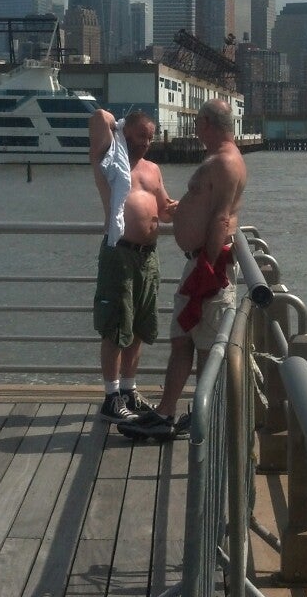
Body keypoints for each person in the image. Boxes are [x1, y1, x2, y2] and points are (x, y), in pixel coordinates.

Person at [118, 98, 247, 439]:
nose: (194, 128)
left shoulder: (224, 162)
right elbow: (207, 207)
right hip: (197, 265)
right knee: (181, 341)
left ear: (206, 122)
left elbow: (221, 216)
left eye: (197, 121)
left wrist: (209, 266)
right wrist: (185, 207)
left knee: (205, 348)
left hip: (208, 268)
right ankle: (166, 414)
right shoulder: (219, 160)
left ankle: (202, 416)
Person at [89, 108, 178, 423]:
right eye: (141, 135)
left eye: (151, 137)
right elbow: (99, 118)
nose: (147, 142)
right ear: (125, 133)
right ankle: (111, 397)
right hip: (120, 254)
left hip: (148, 256)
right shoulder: (111, 163)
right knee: (116, 326)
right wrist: (118, 124)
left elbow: (165, 211)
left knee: (139, 325)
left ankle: (128, 389)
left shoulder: (153, 169)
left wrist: (192, 206)